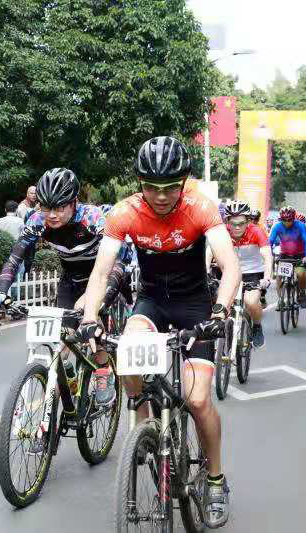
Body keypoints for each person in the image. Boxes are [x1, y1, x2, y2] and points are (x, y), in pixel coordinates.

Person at [79, 136, 241, 527]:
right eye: (152, 187)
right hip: (151, 300)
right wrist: (90, 317)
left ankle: (215, 480)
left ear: (184, 183)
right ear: (140, 183)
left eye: (170, 187)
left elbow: (230, 266)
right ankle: (144, 425)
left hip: (195, 305)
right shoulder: (125, 213)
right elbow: (100, 273)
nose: (162, 196)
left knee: (197, 400)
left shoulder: (200, 208)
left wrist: (220, 310)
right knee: (127, 349)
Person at [0, 168, 125, 407]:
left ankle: (103, 373)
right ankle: (69, 375)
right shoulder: (37, 219)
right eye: (46, 207)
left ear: (74, 202)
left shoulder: (93, 218)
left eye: (60, 207)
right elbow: (14, 258)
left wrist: (92, 301)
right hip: (70, 280)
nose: (51, 215)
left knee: (94, 327)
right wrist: (2, 291)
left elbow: (117, 263)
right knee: (60, 340)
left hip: (102, 276)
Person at [221, 200, 272, 348]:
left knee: (250, 302)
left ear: (248, 221)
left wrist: (267, 278)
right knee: (219, 302)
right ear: (227, 221)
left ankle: (257, 326)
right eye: (233, 223)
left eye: (241, 223)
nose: (237, 227)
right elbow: (209, 253)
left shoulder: (256, 231)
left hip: (253, 273)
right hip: (231, 272)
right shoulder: (223, 232)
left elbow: (267, 256)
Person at [269, 206, 306, 308]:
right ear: (281, 219)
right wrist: (268, 254)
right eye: (284, 220)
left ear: (293, 219)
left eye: (289, 220)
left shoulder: (300, 225)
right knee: (279, 277)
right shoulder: (277, 226)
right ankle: (281, 299)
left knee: (301, 274)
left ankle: (302, 293)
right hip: (284, 255)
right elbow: (270, 241)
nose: (287, 222)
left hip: (299, 255)